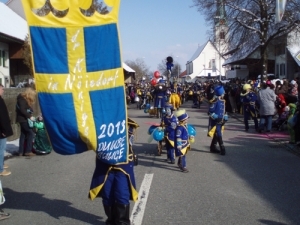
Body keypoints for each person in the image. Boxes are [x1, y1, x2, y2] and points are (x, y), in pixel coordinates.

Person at [89, 118, 139, 225]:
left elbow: (128, 143)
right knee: (107, 195)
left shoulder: (128, 125)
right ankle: (111, 220)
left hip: (122, 167)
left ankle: (122, 222)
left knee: (121, 194)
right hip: (105, 166)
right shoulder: (99, 122)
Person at [16, 88, 36, 156]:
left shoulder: (21, 99)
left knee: (23, 134)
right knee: (31, 133)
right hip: (23, 119)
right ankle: (28, 150)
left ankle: (21, 151)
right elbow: (22, 110)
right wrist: (29, 116)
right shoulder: (22, 99)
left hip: (22, 119)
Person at [208, 85, 227, 155]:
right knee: (218, 134)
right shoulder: (215, 101)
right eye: (223, 93)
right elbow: (210, 111)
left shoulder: (223, 101)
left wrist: (225, 116)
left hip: (221, 120)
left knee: (217, 134)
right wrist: (216, 117)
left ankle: (212, 147)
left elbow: (223, 111)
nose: (224, 94)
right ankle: (222, 148)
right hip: (215, 121)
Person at [0, 84, 13, 176]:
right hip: (1, 130)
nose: (3, 90)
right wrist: (5, 130)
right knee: (1, 149)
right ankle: (0, 169)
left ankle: (2, 164)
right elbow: (2, 117)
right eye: (2, 88)